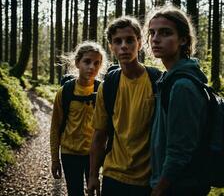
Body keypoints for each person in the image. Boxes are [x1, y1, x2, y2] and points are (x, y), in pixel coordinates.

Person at [87, 16, 160, 196]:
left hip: (148, 179)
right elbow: (99, 136)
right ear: (111, 47)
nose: (124, 46)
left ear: (140, 43)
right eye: (117, 41)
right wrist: (93, 176)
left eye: (129, 40)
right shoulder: (108, 86)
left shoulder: (157, 81)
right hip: (113, 176)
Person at [145, 5, 211, 196]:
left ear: (183, 39)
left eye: (165, 33)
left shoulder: (182, 85)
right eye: (152, 33)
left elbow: (180, 149)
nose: (155, 39)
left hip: (178, 187)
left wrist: (160, 188)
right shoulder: (169, 79)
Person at [50, 41, 107, 196]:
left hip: (94, 155)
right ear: (77, 63)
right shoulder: (65, 92)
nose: (92, 67)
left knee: (93, 191)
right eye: (87, 62)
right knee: (74, 192)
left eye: (97, 63)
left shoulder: (103, 90)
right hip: (70, 154)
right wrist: (55, 160)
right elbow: (55, 127)